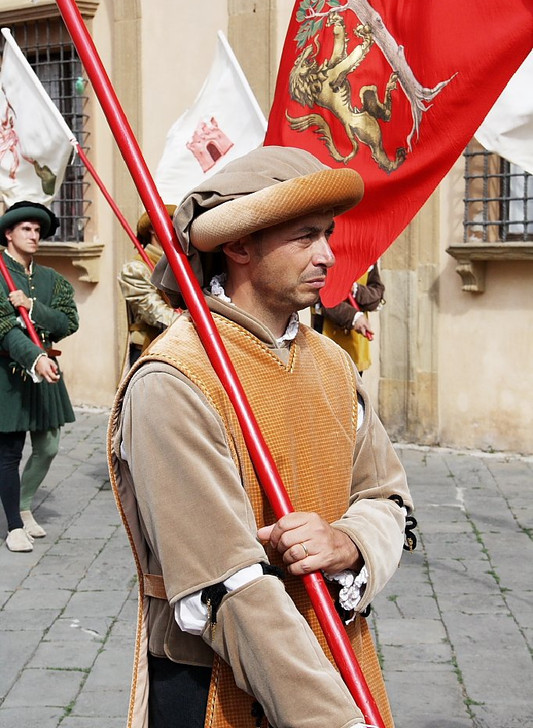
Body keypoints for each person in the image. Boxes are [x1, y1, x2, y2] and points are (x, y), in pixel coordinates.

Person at [108, 146, 415, 728]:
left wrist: (347, 544)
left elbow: (386, 496)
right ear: (240, 245)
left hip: (339, 653)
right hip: (219, 689)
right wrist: (336, 720)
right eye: (304, 237)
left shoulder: (331, 361)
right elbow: (227, 586)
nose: (328, 254)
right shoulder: (176, 377)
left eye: (327, 234)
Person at [0, 201, 79, 552]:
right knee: (9, 452)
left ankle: (23, 502)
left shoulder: (52, 279)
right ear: (9, 234)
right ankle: (15, 525)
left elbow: (68, 322)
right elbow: (3, 328)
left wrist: (34, 308)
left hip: (46, 371)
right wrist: (34, 358)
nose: (34, 235)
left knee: (48, 446)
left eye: (37, 230)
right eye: (26, 229)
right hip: (9, 375)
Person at [117, 205, 178, 369]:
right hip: (149, 350)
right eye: (170, 222)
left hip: (178, 347)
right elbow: (154, 312)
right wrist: (193, 324)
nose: (176, 228)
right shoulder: (135, 269)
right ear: (152, 228)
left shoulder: (181, 264)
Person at [312, 263, 385, 374]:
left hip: (357, 347)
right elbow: (321, 297)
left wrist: (356, 290)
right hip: (328, 343)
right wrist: (353, 317)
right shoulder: (325, 255)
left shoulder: (367, 253)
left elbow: (377, 295)